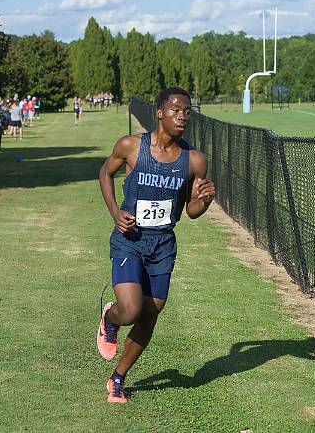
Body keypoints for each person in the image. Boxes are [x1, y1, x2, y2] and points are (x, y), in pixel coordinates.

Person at [97, 86, 216, 403]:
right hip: (130, 240)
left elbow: (190, 211)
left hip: (163, 244)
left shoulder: (194, 161)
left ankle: (118, 379)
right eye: (176, 109)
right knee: (132, 309)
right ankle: (110, 318)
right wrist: (115, 212)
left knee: (150, 314)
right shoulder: (131, 146)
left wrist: (204, 201)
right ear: (160, 112)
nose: (183, 116)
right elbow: (104, 174)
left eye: (187, 111)